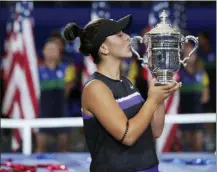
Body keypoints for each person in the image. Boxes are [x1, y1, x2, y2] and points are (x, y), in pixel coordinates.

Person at [63, 15, 181, 172]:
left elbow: (154, 130)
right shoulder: (95, 88)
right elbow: (128, 136)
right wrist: (152, 100)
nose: (127, 38)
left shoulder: (126, 82)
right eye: (119, 35)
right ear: (104, 48)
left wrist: (160, 96)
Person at [36, 38, 75, 152]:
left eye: (54, 49)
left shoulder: (68, 68)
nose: (52, 51)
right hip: (43, 110)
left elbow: (67, 89)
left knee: (63, 148)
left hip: (61, 109)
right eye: (49, 49)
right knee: (40, 148)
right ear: (43, 51)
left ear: (59, 52)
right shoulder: (36, 70)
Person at [179, 42, 210, 152]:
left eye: (192, 53)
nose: (189, 56)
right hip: (182, 113)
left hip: (197, 113)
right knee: (185, 146)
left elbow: (205, 97)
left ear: (196, 55)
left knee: (197, 145)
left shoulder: (202, 74)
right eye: (187, 53)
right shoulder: (178, 74)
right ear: (182, 56)